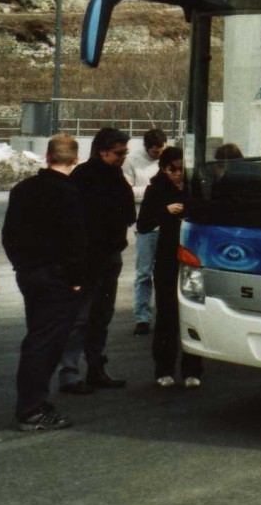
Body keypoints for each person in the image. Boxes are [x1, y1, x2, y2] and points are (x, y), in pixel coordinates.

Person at [3, 134, 88, 431]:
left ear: (47, 157)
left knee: (37, 337)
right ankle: (32, 408)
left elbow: (9, 235)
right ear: (75, 160)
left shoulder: (23, 189)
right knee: (46, 342)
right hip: (57, 278)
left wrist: (22, 263)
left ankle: (33, 403)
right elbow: (76, 241)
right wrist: (76, 280)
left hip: (29, 273)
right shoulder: (70, 193)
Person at [59, 127, 136, 393]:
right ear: (103, 151)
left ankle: (94, 366)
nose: (123, 157)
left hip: (109, 256)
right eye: (119, 153)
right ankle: (70, 373)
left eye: (125, 152)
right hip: (88, 259)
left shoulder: (115, 175)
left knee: (101, 316)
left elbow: (127, 212)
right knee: (81, 317)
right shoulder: (83, 177)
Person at [138, 147, 203, 388]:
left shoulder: (194, 189)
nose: (177, 174)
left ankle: (193, 369)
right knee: (166, 314)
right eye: (172, 169)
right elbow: (143, 224)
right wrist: (164, 212)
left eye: (180, 169)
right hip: (167, 258)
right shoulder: (156, 190)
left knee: (193, 313)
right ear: (164, 169)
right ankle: (163, 369)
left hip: (192, 258)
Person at [123, 128, 167, 336]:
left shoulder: (169, 158)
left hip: (167, 223)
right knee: (144, 273)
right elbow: (126, 191)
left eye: (161, 151)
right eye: (154, 152)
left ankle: (166, 314)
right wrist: (153, 191)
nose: (157, 155)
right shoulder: (131, 161)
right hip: (145, 224)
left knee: (167, 272)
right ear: (146, 148)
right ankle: (142, 316)